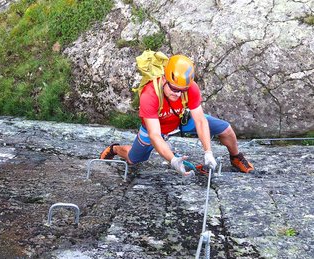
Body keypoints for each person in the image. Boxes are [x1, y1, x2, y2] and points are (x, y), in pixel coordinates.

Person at [100, 54, 254, 175]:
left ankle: (236, 158)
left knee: (226, 130)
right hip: (156, 127)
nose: (178, 94)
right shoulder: (150, 95)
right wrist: (173, 160)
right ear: (164, 79)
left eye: (183, 91)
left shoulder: (189, 87)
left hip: (180, 119)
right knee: (133, 159)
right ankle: (115, 149)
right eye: (174, 89)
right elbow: (154, 135)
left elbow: (200, 121)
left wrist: (208, 152)